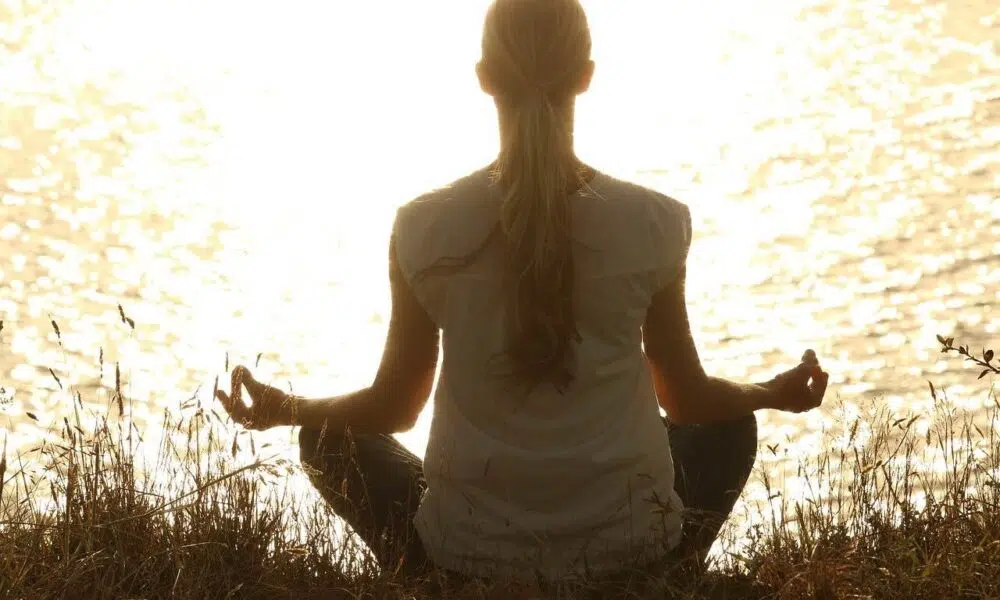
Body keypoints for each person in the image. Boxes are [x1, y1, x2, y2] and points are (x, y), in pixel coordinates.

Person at [214, 0, 830, 587]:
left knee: (327, 438)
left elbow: (395, 407)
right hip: (629, 548)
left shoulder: (424, 228)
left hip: (468, 556)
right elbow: (688, 398)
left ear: (485, 79)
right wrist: (770, 393)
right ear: (586, 77)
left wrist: (285, 409)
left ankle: (437, 582)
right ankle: (652, 577)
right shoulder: (653, 223)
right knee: (728, 426)